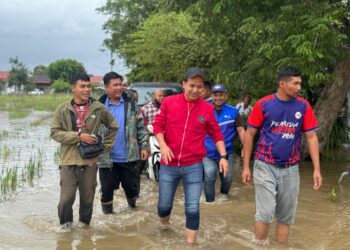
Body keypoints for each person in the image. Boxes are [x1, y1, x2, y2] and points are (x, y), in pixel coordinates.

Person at [241, 66, 322, 245]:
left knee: (286, 215)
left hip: (291, 167)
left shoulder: (303, 106)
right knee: (266, 212)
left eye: (300, 83)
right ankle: (260, 245)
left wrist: (317, 169)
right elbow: (249, 134)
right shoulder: (264, 104)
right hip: (264, 164)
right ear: (282, 84)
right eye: (296, 83)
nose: (299, 87)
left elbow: (311, 136)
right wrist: (246, 166)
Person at [153, 67, 229, 244]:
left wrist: (223, 156)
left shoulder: (207, 109)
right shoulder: (169, 102)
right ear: (184, 84)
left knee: (193, 207)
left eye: (200, 86)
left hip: (194, 166)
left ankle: (190, 244)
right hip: (169, 163)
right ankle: (164, 227)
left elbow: (217, 134)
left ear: (204, 88)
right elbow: (158, 126)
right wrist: (163, 146)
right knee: (164, 205)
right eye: (192, 85)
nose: (195, 90)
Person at [50, 72, 118, 227]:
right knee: (66, 199)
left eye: (89, 86)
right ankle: (65, 228)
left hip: (90, 162)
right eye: (83, 86)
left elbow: (113, 126)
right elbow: (54, 132)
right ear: (73, 88)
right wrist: (79, 136)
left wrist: (105, 147)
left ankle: (84, 228)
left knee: (87, 200)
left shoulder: (98, 108)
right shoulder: (63, 109)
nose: (87, 90)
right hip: (68, 161)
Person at [98, 72, 149, 214]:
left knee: (131, 188)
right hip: (106, 158)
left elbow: (141, 126)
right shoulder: (98, 106)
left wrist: (144, 146)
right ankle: (108, 217)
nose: (119, 87)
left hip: (128, 156)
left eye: (121, 84)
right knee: (106, 190)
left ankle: (132, 210)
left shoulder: (131, 104)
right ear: (106, 88)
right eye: (115, 85)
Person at [203, 84, 245, 202]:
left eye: (221, 95)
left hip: (227, 152)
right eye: (215, 95)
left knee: (227, 178)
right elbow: (197, 127)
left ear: (226, 96)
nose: (218, 97)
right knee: (210, 176)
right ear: (211, 96)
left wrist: (245, 147)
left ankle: (223, 197)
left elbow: (241, 130)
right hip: (208, 152)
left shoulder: (234, 112)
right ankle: (210, 203)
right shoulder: (204, 110)